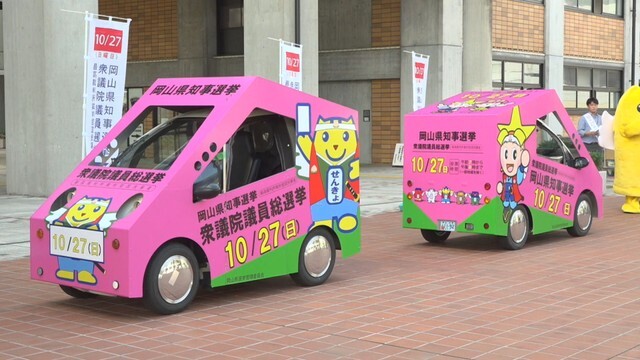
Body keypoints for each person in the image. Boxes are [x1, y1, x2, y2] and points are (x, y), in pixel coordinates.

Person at [577, 97, 603, 165]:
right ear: (588, 106)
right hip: (587, 144)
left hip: (598, 144)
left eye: (595, 105)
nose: (594, 107)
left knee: (598, 164)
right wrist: (588, 133)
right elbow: (579, 132)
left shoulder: (601, 118)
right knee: (586, 164)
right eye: (591, 105)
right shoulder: (584, 118)